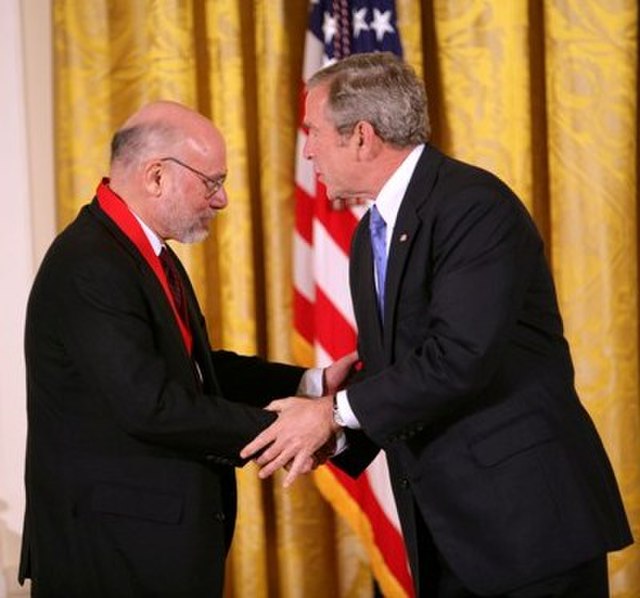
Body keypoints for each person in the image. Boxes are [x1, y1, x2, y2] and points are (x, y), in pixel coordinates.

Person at [241, 53, 633, 597]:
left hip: (527, 529)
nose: (306, 150)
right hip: (450, 529)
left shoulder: (472, 207)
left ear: (362, 137)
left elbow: (458, 358)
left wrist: (333, 414)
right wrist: (336, 424)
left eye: (313, 132)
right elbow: (405, 363)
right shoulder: (369, 234)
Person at [19, 100, 356, 597]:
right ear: (156, 176)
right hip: (108, 557)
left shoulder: (140, 250)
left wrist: (310, 384)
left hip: (146, 547)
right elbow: (151, 407)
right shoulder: (90, 264)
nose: (220, 201)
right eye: (212, 182)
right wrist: (292, 428)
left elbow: (195, 371)